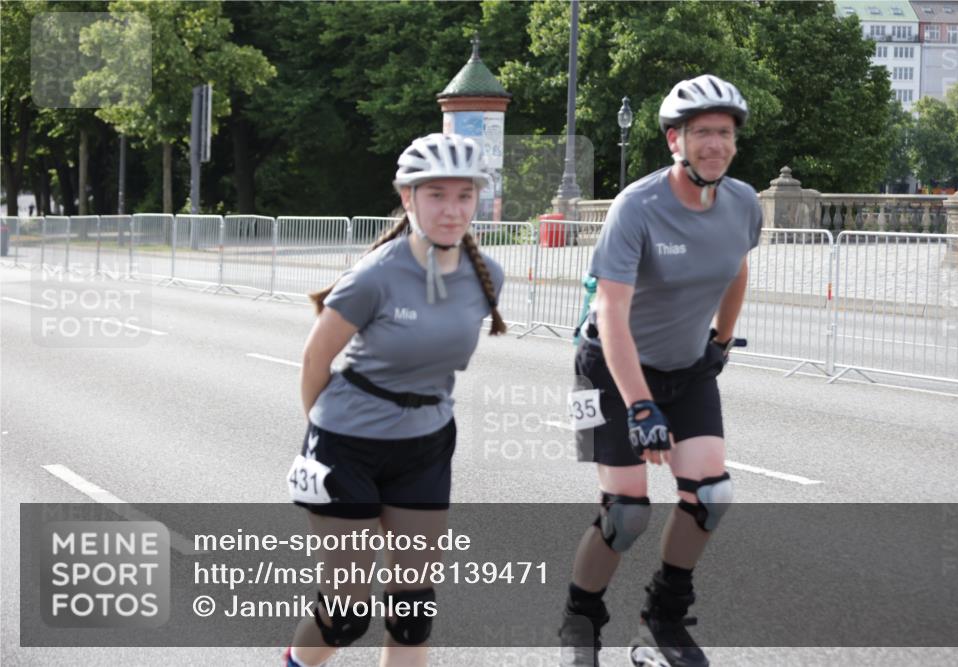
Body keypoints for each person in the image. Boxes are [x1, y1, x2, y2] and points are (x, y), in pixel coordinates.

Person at [559, 74, 761, 667]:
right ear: (675, 139)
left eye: (724, 133)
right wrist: (641, 405)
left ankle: (662, 620)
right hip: (609, 367)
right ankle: (581, 621)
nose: (715, 144)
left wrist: (719, 342)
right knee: (626, 512)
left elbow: (737, 269)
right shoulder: (637, 207)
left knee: (711, 496)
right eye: (701, 133)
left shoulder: (743, 202)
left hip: (686, 365)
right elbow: (612, 312)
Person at [283, 132, 505, 667]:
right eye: (436, 195)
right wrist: (325, 438)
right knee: (346, 614)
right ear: (408, 199)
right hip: (346, 447)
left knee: (412, 614)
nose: (452, 210)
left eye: (463, 195)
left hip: (425, 446)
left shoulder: (487, 276)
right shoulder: (374, 276)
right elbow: (315, 363)